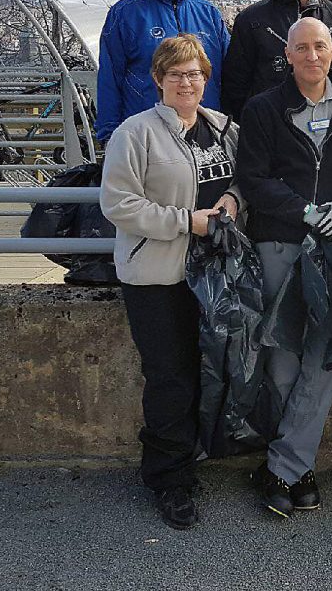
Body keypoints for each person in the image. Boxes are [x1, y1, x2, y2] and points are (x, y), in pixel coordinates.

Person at [100, 34, 243, 530]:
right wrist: (188, 220)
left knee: (208, 370)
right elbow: (118, 203)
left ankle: (195, 455)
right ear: (158, 79)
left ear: (206, 79)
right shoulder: (135, 133)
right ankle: (169, 478)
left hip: (215, 272)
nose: (187, 82)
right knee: (170, 378)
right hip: (157, 276)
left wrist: (232, 203)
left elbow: (244, 177)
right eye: (177, 74)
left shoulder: (224, 128)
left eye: (195, 73)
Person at [236, 17, 332, 518]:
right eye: (301, 48)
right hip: (281, 241)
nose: (312, 55)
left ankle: (284, 465)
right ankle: (296, 465)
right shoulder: (263, 108)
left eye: (320, 46)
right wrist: (305, 211)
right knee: (284, 355)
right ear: (287, 55)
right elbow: (254, 177)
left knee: (322, 354)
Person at [96, 0, 230, 143]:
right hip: (147, 134)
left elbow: (229, 75)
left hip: (206, 130)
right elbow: (110, 78)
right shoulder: (126, 14)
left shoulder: (208, 14)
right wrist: (109, 135)